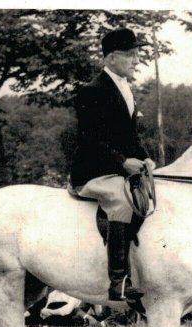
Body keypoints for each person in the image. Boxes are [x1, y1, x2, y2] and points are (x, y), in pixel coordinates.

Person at [68, 27, 156, 303]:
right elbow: (90, 139)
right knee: (122, 201)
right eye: (130, 55)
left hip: (119, 169)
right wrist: (122, 162)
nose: (136, 60)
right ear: (110, 59)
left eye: (137, 54)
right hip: (93, 172)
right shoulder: (91, 91)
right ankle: (118, 281)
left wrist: (144, 157)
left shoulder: (126, 89)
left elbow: (131, 135)